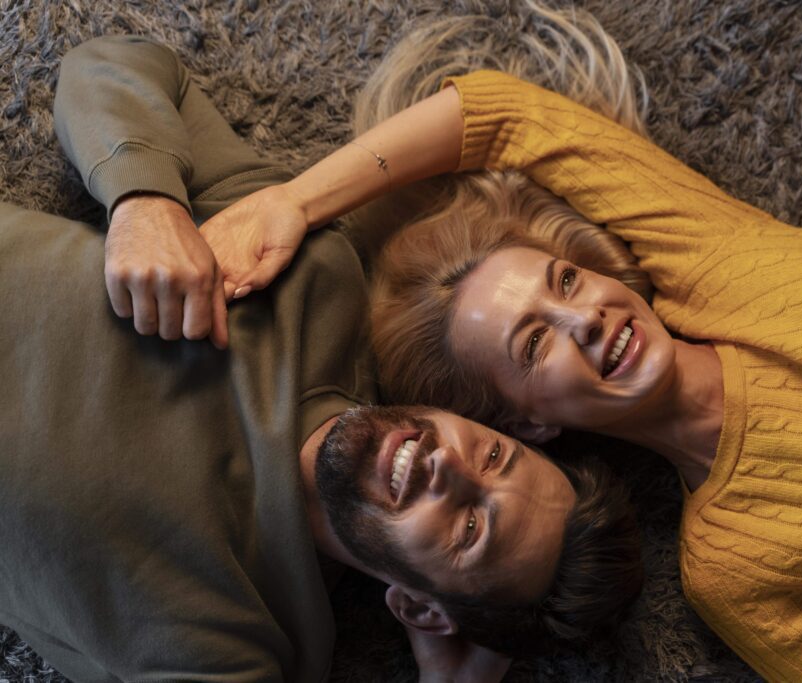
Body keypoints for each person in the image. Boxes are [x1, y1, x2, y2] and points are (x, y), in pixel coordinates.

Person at [197, 6, 802, 682]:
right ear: (526, 426)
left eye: (562, 283)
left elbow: (500, 114)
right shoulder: (731, 564)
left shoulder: (713, 259)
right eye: (531, 346)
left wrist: (294, 203)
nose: (583, 317)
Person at [0, 35, 644, 682]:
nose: (448, 464)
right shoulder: (313, 282)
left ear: (420, 608)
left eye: (472, 525)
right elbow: (114, 63)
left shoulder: (242, 640)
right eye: (494, 456)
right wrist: (146, 201)